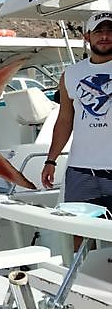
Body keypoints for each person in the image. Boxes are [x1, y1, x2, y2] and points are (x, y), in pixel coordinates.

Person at [41, 11, 112, 212]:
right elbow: (64, 120)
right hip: (80, 169)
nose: (105, 36)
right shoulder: (70, 75)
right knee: (78, 232)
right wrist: (51, 160)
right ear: (87, 36)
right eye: (98, 31)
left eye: (110, 31)